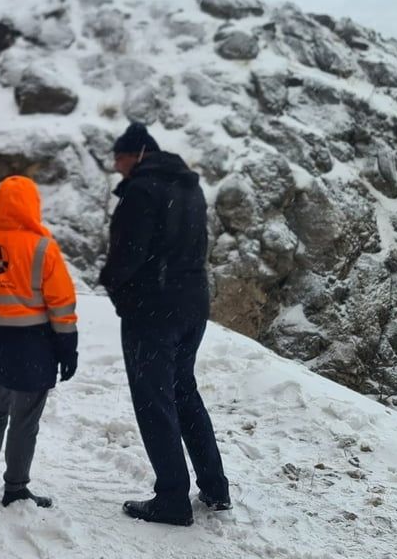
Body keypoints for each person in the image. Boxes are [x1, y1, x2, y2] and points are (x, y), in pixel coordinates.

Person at [98, 122, 229, 526]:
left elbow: (127, 255)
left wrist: (115, 290)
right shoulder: (190, 187)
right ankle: (214, 487)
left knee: (154, 401)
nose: (117, 167)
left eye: (119, 159)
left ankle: (172, 498)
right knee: (183, 391)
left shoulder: (141, 190)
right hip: (192, 304)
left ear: (136, 153)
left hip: (153, 310)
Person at [0, 175, 79, 508]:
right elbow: (62, 305)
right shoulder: (42, 248)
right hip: (33, 347)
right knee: (24, 420)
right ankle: (16, 488)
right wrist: (68, 350)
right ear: (31, 206)